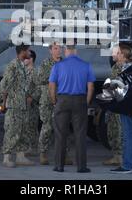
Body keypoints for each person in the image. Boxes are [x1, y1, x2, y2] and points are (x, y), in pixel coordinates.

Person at [49, 45, 95, 173]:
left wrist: (54, 101)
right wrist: (85, 102)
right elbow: (91, 87)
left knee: (60, 134)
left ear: (66, 51)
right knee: (80, 134)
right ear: (76, 51)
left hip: (62, 100)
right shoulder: (86, 65)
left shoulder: (57, 66)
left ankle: (59, 166)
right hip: (80, 100)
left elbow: (52, 86)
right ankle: (81, 167)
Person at [36, 43, 73, 166]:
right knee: (47, 127)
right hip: (47, 101)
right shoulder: (45, 64)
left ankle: (65, 154)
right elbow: (40, 79)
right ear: (50, 50)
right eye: (56, 49)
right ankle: (43, 153)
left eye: (60, 48)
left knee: (64, 128)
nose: (58, 51)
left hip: (63, 100)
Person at [110, 44, 132, 174]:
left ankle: (127, 165)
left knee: (128, 135)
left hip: (127, 105)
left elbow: (117, 89)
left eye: (117, 53)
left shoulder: (123, 69)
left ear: (122, 55)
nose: (115, 54)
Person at [0, 44, 35, 167]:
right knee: (12, 130)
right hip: (14, 105)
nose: (30, 52)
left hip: (22, 104)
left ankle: (21, 156)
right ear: (23, 51)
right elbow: (4, 84)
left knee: (23, 131)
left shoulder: (21, 65)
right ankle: (7, 157)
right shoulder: (13, 65)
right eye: (28, 50)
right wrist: (3, 102)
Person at [102, 46, 123, 166]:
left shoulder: (123, 67)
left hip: (119, 104)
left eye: (114, 53)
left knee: (119, 130)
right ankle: (117, 156)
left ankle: (120, 157)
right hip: (114, 103)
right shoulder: (115, 67)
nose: (112, 55)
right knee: (113, 129)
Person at [25, 50, 40, 155]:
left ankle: (34, 147)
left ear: (31, 59)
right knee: (25, 125)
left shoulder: (35, 72)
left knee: (32, 126)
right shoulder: (24, 71)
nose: (24, 59)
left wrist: (32, 97)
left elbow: (39, 88)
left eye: (26, 57)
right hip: (23, 103)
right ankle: (27, 146)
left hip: (32, 104)